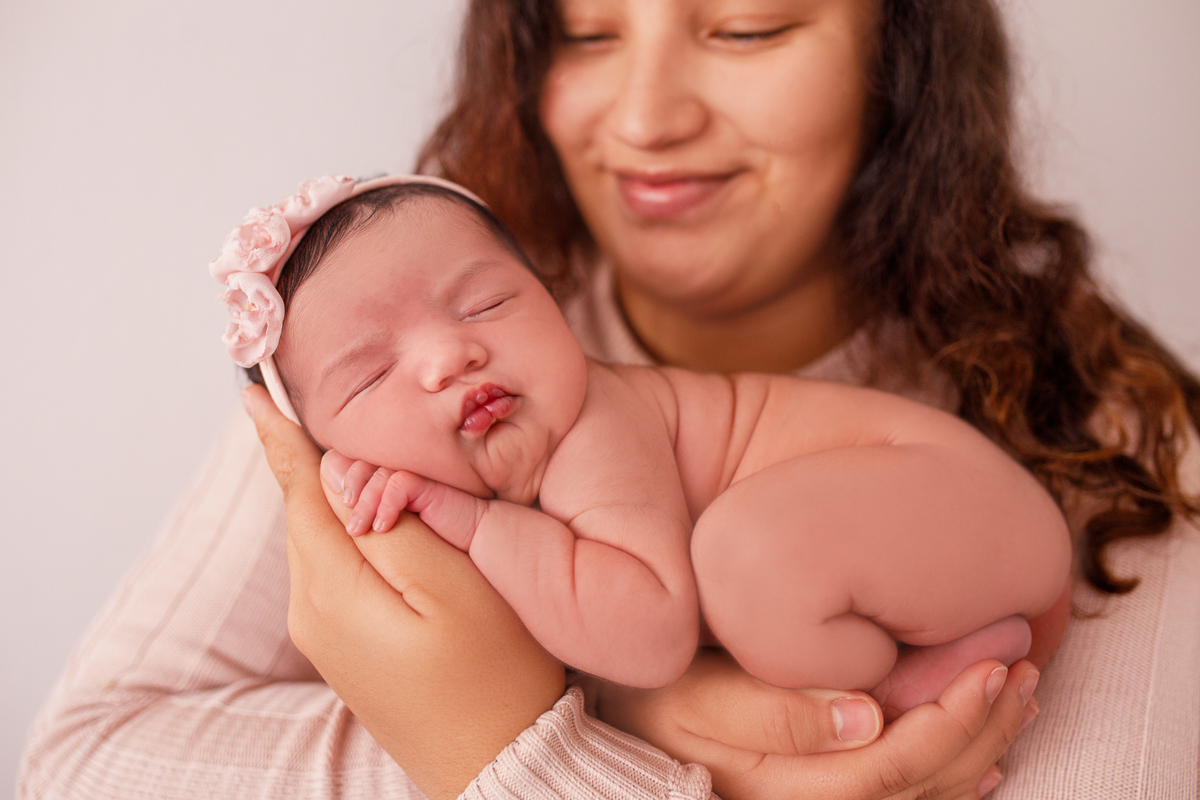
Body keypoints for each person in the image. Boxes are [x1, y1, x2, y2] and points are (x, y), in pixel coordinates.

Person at [20, 1, 1200, 799]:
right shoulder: (374, 357)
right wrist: (567, 728)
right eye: (585, 31)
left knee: (749, 548)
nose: (645, 119)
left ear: (903, 56)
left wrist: (524, 720)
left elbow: (634, 615)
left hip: (987, 547)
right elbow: (78, 762)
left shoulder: (1132, 447)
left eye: (745, 23)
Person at [213, 173, 1066, 704]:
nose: (450, 354)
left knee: (744, 552)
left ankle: (897, 675)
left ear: (550, 296)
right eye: (370, 375)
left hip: (951, 497)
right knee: (751, 556)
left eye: (486, 306)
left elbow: (651, 635)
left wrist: (477, 527)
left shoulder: (592, 428)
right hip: (935, 525)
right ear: (330, 455)